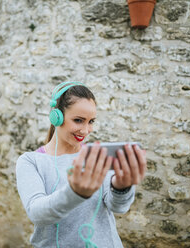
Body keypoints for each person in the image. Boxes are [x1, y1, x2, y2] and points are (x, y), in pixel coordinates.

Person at [16, 82, 147, 248]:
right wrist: (75, 193)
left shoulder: (96, 156)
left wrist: (121, 187)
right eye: (78, 120)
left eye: (91, 121)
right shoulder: (30, 161)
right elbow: (37, 214)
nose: (85, 130)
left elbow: (119, 207)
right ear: (56, 117)